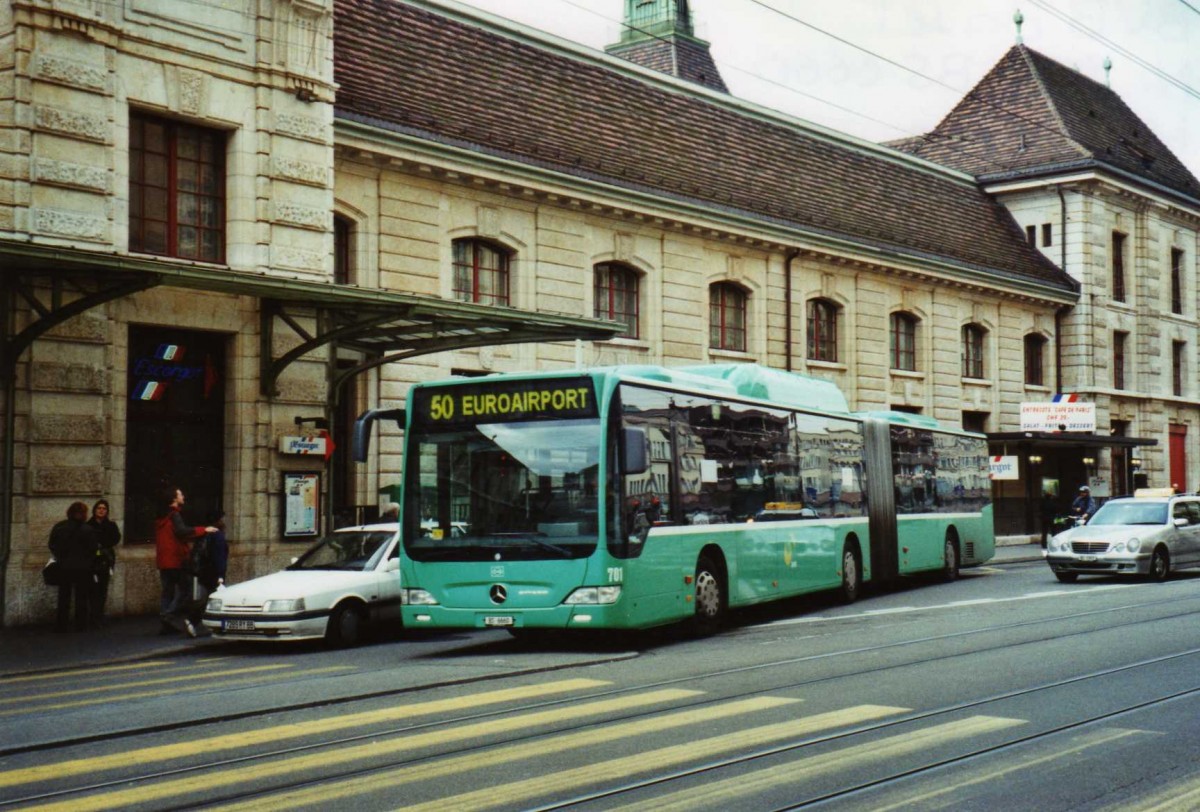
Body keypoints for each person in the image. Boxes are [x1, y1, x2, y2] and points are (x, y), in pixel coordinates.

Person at [155, 486, 219, 638]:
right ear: (174, 499)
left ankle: (166, 624)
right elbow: (182, 531)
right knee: (186, 590)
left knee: (167, 592)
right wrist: (204, 530)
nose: (183, 496)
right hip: (176, 559)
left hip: (164, 560)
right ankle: (168, 616)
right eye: (180, 494)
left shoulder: (162, 516)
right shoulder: (174, 515)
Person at [48, 501, 99, 632]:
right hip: (82, 567)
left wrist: (60, 556)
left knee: (63, 596)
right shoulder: (88, 529)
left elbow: (52, 544)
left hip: (64, 566)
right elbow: (93, 549)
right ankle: (80, 625)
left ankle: (61, 625)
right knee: (81, 597)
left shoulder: (59, 527)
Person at [188, 509, 229, 632]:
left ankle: (199, 622)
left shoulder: (206, 533)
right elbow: (219, 557)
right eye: (222, 519)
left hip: (204, 570)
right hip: (214, 573)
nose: (224, 521)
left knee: (210, 598)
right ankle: (192, 621)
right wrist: (221, 575)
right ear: (219, 521)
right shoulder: (218, 536)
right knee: (214, 599)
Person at [87, 499, 121, 626]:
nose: (101, 511)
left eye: (104, 509)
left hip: (105, 560)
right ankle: (93, 616)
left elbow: (116, 538)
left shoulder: (111, 525)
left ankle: (98, 615)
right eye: (99, 508)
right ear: (94, 510)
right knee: (92, 589)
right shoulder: (88, 525)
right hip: (92, 561)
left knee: (102, 588)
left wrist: (103, 544)